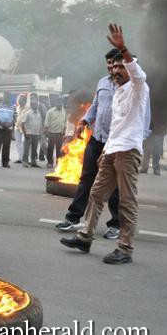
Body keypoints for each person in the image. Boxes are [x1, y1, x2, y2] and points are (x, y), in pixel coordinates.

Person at [61, 24, 150, 264]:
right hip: (111, 149)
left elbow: (136, 72)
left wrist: (123, 48)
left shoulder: (138, 87)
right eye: (115, 66)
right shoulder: (117, 91)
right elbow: (114, 125)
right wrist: (106, 150)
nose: (117, 70)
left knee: (126, 201)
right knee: (96, 194)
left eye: (122, 66)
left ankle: (125, 248)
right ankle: (84, 236)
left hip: (128, 152)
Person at [55, 49, 124, 239]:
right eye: (109, 63)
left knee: (115, 185)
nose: (111, 67)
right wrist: (84, 121)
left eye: (114, 63)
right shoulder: (102, 82)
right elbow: (95, 107)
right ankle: (73, 217)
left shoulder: (128, 85)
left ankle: (116, 224)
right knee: (86, 178)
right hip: (97, 138)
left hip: (117, 142)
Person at [0, 93, 16, 168]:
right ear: (4, 97)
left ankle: (5, 163)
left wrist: (9, 124)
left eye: (8, 97)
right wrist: (2, 123)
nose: (7, 98)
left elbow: (15, 118)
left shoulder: (13, 107)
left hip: (8, 129)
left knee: (6, 146)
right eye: (6, 97)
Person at [44, 96, 66, 169]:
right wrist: (47, 133)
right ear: (56, 103)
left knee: (59, 150)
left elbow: (65, 122)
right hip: (52, 133)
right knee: (50, 148)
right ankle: (50, 162)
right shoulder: (50, 111)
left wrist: (64, 131)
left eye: (61, 102)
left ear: (62, 103)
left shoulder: (64, 111)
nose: (59, 104)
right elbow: (46, 123)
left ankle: (58, 163)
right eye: (58, 102)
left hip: (60, 134)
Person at [20, 94, 42, 168]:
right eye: (33, 104)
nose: (35, 105)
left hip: (36, 133)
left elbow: (39, 124)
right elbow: (22, 124)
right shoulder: (28, 113)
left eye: (36, 104)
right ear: (31, 105)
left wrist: (39, 134)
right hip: (29, 133)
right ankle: (25, 162)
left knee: (34, 149)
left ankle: (33, 162)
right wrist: (25, 133)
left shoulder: (39, 113)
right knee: (26, 149)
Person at [14, 94, 28, 164]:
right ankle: (20, 158)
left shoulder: (28, 108)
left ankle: (25, 158)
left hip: (25, 128)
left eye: (22, 99)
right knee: (17, 143)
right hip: (17, 127)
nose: (20, 101)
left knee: (23, 142)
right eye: (19, 99)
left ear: (25, 101)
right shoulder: (17, 108)